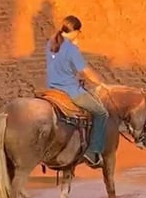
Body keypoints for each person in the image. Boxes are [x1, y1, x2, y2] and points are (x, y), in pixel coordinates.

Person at [45, 15, 109, 168]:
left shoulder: (50, 44)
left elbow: (61, 65)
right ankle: (92, 152)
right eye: (78, 32)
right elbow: (86, 70)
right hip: (70, 90)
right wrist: (101, 83)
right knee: (101, 113)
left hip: (52, 89)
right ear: (74, 32)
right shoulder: (71, 49)